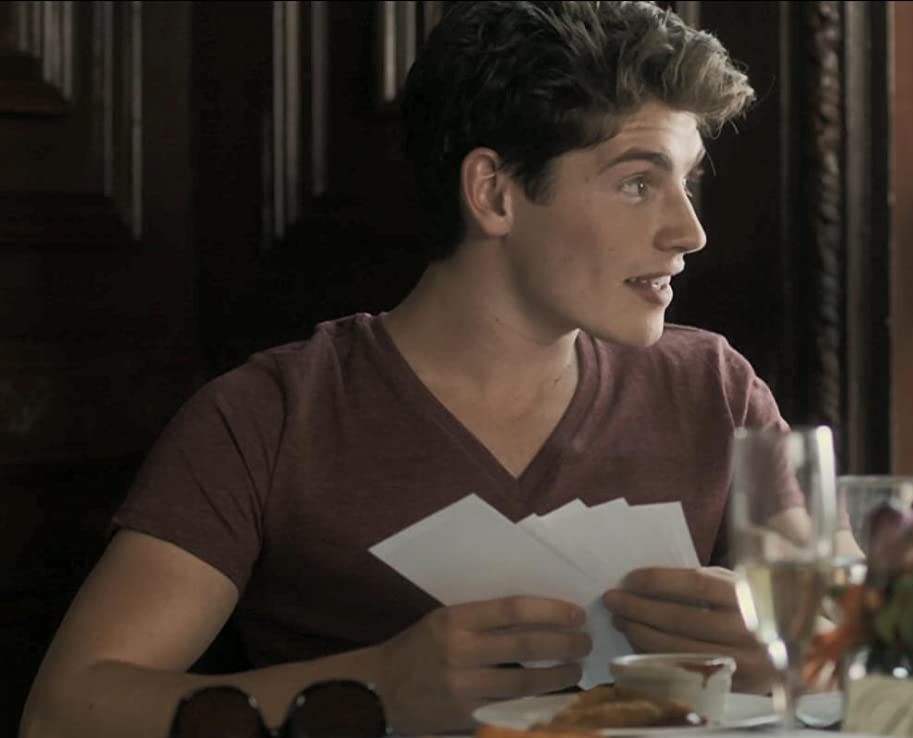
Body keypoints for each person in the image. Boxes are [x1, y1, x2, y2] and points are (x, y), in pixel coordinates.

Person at [21, 3, 795, 736]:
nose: (688, 230)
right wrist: (379, 684)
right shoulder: (271, 416)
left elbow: (841, 647)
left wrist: (785, 654)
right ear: (493, 193)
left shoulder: (714, 390)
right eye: (637, 182)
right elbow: (61, 714)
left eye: (687, 180)